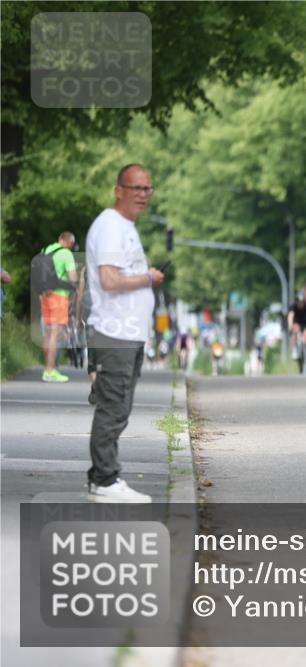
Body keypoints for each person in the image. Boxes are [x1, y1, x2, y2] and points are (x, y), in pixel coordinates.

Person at [85, 164, 163, 503]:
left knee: (120, 407)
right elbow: (110, 280)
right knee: (113, 407)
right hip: (113, 332)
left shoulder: (125, 227)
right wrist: (148, 279)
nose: (143, 195)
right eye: (136, 188)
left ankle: (104, 478)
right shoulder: (110, 226)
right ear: (119, 190)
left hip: (128, 334)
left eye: (147, 189)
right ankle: (104, 480)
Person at [39, 231, 79, 382]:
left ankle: (48, 368)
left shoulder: (46, 250)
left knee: (48, 334)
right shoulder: (66, 253)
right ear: (69, 242)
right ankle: (50, 370)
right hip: (59, 296)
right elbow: (73, 277)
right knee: (56, 334)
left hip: (44, 295)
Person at [287, 293, 306, 360]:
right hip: (296, 322)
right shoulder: (293, 306)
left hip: (305, 322)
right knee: (295, 330)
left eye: (302, 302)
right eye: (299, 302)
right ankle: (295, 349)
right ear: (297, 302)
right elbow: (290, 317)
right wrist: (290, 328)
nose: (301, 304)